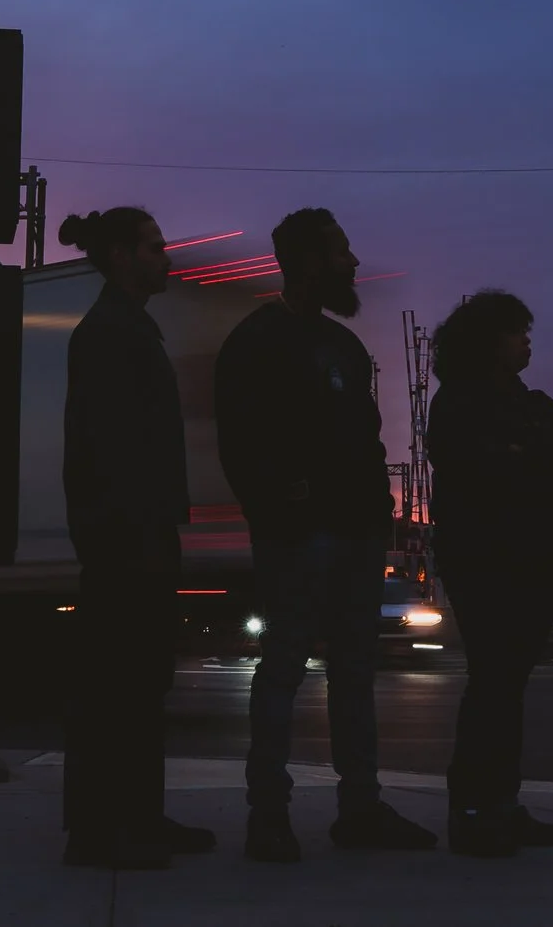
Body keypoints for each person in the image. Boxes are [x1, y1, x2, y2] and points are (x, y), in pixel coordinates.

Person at [214, 208, 438, 862]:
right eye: (342, 251)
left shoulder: (344, 345)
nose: (354, 262)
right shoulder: (257, 340)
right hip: (297, 539)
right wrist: (284, 510)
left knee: (355, 672)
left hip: (356, 535)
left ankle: (359, 809)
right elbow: (241, 445)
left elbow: (367, 438)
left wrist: (377, 511)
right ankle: (269, 816)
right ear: (309, 262)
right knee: (284, 666)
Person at [57, 205, 215, 870]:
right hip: (125, 536)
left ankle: (139, 817)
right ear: (121, 256)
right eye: (154, 247)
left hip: (139, 530)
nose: (166, 257)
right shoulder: (108, 333)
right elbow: (105, 448)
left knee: (141, 682)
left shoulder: (128, 327)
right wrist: (130, 534)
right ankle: (100, 831)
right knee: (116, 685)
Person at [425, 290, 553, 857]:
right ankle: (473, 809)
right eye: (516, 331)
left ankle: (501, 803)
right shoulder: (457, 404)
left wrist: (523, 452)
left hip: (536, 559)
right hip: (483, 561)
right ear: (487, 341)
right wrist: (528, 456)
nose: (526, 341)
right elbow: (479, 468)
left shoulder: (533, 403)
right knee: (493, 680)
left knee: (508, 684)